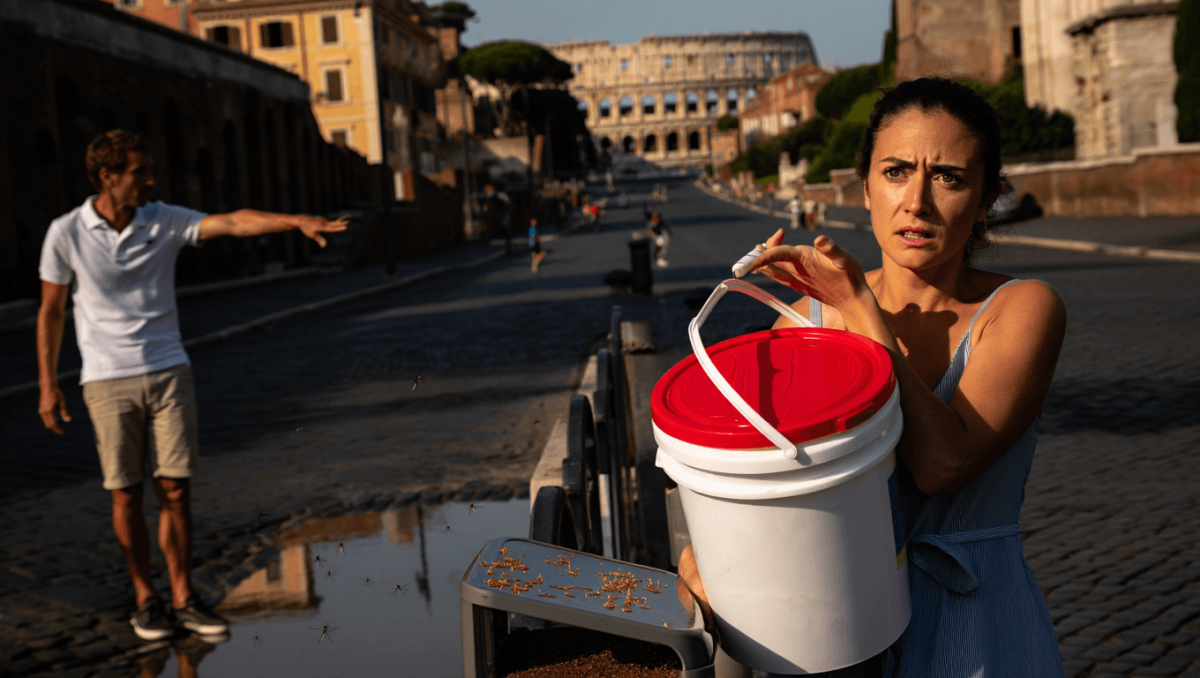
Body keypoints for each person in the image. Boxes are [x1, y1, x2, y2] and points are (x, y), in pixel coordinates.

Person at [679, 78, 1067, 676]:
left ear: (988, 199)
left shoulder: (1025, 308)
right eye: (895, 172)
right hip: (837, 635)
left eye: (949, 177)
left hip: (980, 630)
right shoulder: (806, 321)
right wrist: (713, 557)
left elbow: (941, 464)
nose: (917, 201)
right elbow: (774, 487)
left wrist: (860, 309)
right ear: (864, 188)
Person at [37, 130, 348, 643]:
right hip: (106, 380)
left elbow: (231, 222)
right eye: (140, 172)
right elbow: (50, 311)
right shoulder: (66, 231)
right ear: (108, 177)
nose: (152, 180)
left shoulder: (162, 217)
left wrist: (293, 221)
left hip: (168, 370)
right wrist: (48, 385)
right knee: (125, 495)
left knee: (176, 490)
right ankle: (146, 599)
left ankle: (182, 596)